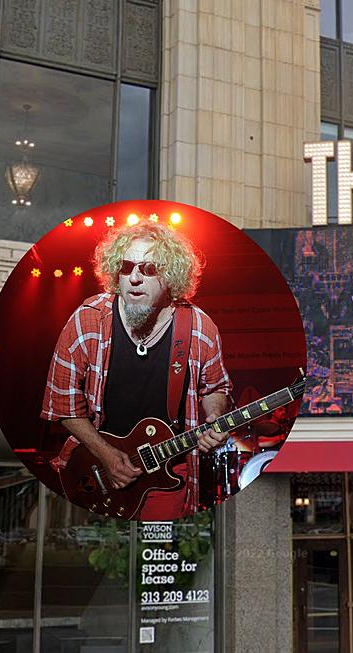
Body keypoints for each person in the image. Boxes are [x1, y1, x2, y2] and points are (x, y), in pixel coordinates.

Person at [41, 221, 232, 519]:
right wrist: (106, 455)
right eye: (126, 267)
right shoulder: (88, 321)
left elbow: (215, 388)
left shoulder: (199, 328)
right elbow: (63, 405)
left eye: (149, 269)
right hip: (94, 469)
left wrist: (215, 418)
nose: (134, 278)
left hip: (167, 472)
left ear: (171, 276)